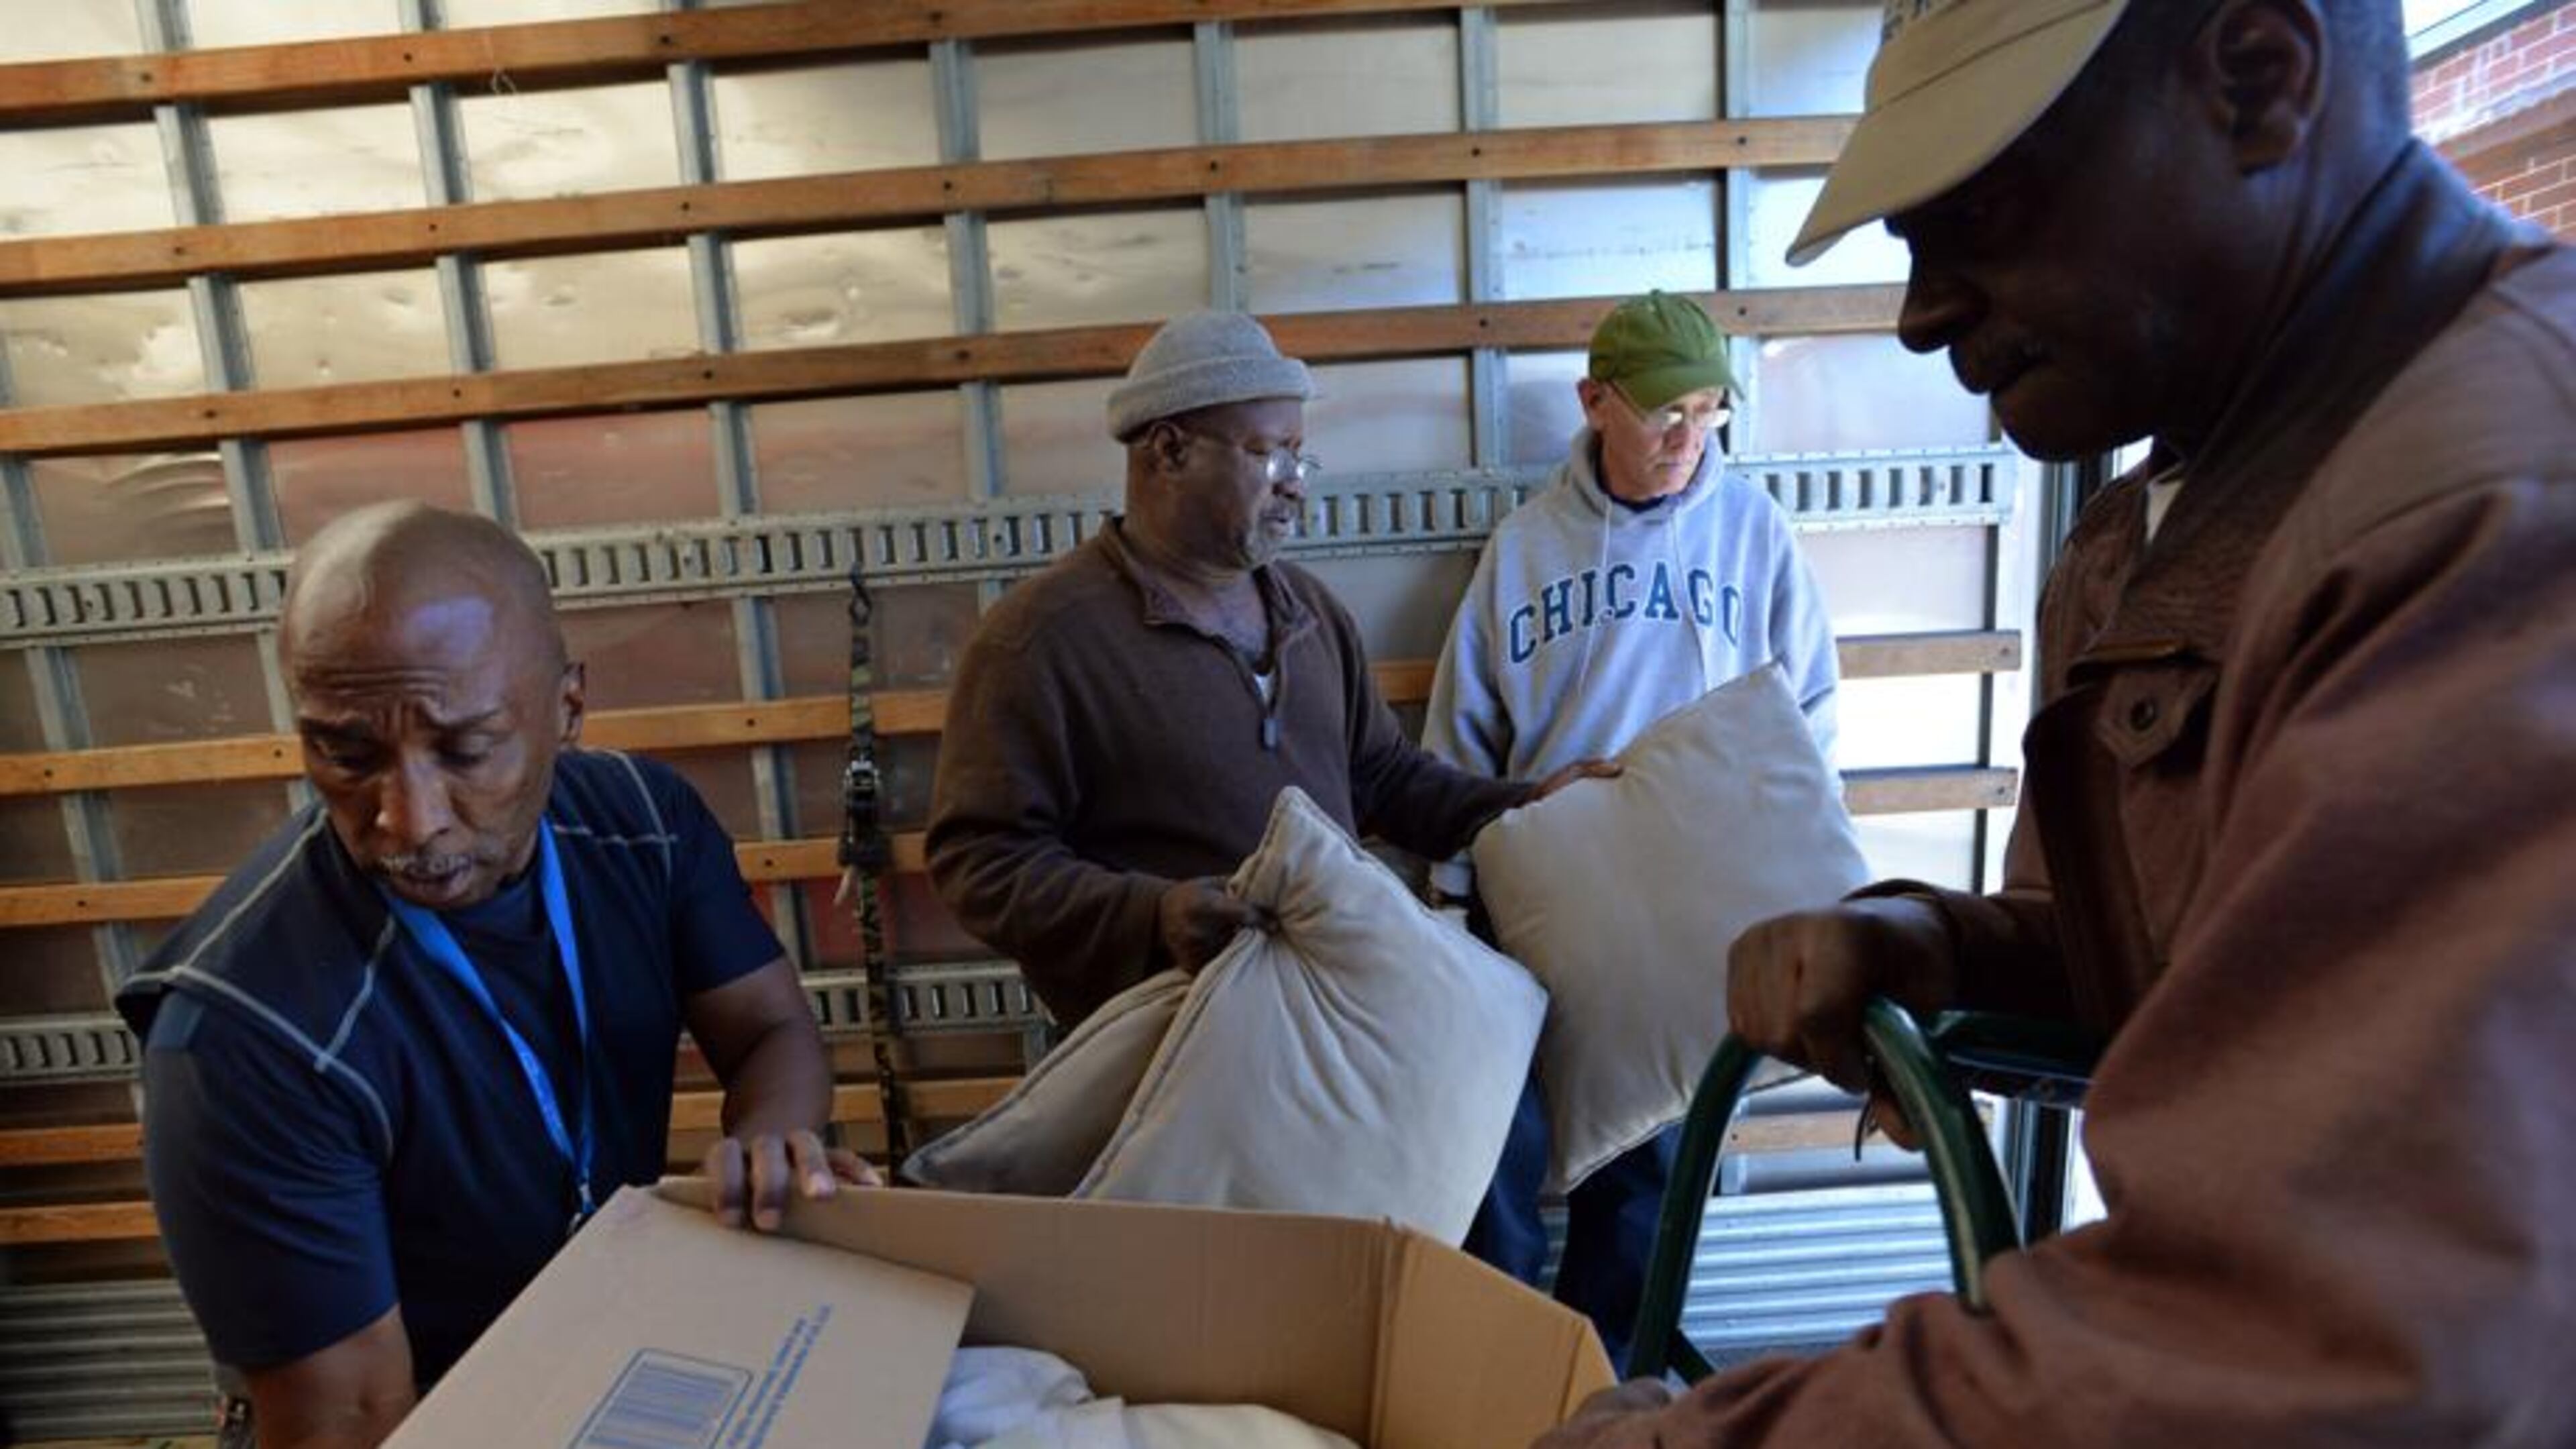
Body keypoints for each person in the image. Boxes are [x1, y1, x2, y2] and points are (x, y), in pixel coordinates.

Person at [1535, 0, 2576, 1443]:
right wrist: (1941, 946)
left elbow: (2308, 1334)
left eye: (1989, 211)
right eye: (1910, 245)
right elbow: (2203, 965)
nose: (1920, 313)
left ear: (2259, 80)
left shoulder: (2492, 510)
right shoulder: (2162, 527)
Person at [118, 502, 863, 1449]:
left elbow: (769, 1031)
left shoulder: (645, 824)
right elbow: (351, 1424)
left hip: (596, 1354)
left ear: (568, 710)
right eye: (346, 755)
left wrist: (772, 1138)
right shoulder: (246, 1037)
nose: (409, 819)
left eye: (466, 750)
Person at [927, 309, 1612, 1029]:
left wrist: (1526, 807)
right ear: (1168, 451)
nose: (1294, 484)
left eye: (1301, 457)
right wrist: (1152, 918)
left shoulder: (1309, 613)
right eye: (1271, 454)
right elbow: (981, 862)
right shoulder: (1042, 640)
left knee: (1522, 1121)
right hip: (1167, 1044)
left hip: (1330, 1013)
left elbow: (1381, 779)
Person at [1424, 290, 1838, 1369]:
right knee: (1497, 1154)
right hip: (1555, 890)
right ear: (1595, 400)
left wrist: (1777, 857)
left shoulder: (1753, 534)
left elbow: (1811, 709)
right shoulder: (1524, 549)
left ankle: (1611, 1381)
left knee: (1648, 1160)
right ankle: (1502, 1386)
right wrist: (1454, 896)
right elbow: (1461, 733)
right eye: (1662, 412)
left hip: (1691, 884)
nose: (1685, 436)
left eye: (1707, 412)